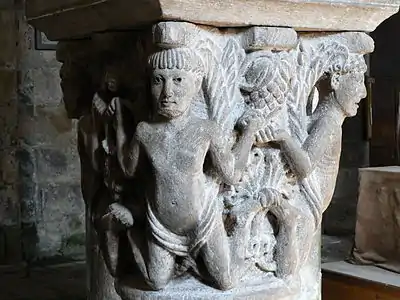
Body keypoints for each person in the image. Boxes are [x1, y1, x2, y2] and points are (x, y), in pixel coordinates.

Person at [114, 47, 264, 290]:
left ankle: (244, 229)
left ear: (196, 85)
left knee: (226, 282)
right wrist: (121, 121)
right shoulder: (145, 131)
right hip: (161, 226)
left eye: (178, 80)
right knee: (155, 282)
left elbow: (232, 174)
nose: (167, 92)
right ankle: (133, 230)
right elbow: (128, 171)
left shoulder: (205, 130)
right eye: (158, 81)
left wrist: (248, 133)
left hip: (202, 221)